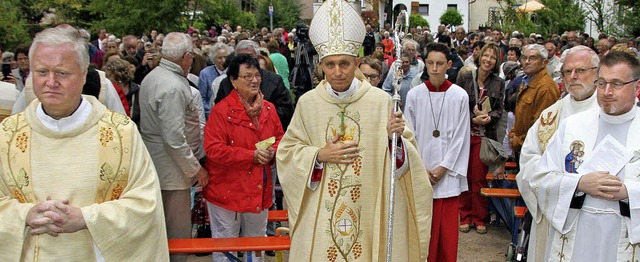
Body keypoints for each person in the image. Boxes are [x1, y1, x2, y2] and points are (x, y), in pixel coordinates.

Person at [275, 0, 433, 260]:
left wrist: (395, 141)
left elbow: (409, 167)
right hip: (322, 211)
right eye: (329, 64)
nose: (336, 72)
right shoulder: (308, 104)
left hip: (369, 209)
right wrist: (319, 155)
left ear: (357, 62)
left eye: (344, 64)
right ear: (321, 64)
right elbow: (287, 154)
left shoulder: (381, 103)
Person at [0, 27, 168, 261]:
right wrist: (25, 215)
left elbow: (146, 205)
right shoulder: (7, 135)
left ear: (83, 75)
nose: (50, 82)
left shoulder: (121, 132)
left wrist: (85, 219)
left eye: (62, 73)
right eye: (41, 72)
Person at [531, 51, 640, 261]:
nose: (607, 91)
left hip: (625, 238)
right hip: (576, 235)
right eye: (601, 83)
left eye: (616, 84)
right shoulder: (573, 126)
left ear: (637, 87)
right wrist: (579, 183)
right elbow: (540, 178)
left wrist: (628, 192)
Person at [516, 46, 600, 261]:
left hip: (594, 213)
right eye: (567, 71)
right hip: (552, 210)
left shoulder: (608, 111)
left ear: (597, 72)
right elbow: (528, 160)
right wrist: (557, 183)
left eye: (581, 70)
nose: (573, 77)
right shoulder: (551, 116)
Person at [203, 53, 284, 262]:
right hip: (227, 188)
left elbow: (280, 138)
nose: (255, 80)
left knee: (257, 241)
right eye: (247, 76)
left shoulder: (268, 108)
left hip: (259, 187)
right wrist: (251, 156)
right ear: (233, 80)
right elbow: (213, 149)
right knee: (226, 243)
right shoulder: (221, 111)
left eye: (257, 75)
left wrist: (272, 151)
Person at [138, 32, 208, 262]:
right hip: (170, 168)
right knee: (176, 230)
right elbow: (174, 138)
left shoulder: (154, 76)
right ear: (186, 57)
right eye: (191, 58)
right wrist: (195, 169)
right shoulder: (172, 86)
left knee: (165, 228)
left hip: (158, 160)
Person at [405, 42, 470, 262]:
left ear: (449, 64)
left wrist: (443, 168)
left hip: (447, 175)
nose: (434, 68)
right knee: (423, 233)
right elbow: (408, 135)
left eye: (440, 63)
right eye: (430, 63)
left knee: (446, 235)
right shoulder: (414, 95)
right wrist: (420, 168)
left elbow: (461, 137)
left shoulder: (460, 96)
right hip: (421, 173)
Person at [457, 42, 505, 235]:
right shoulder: (465, 77)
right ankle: (464, 216)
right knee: (463, 176)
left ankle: (480, 217)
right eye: (486, 55)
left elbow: (500, 110)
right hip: (463, 135)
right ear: (479, 56)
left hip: (483, 137)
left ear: (496, 62)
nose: (488, 60)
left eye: (493, 57)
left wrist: (488, 118)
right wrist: (472, 118)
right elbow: (456, 105)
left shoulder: (498, 83)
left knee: (478, 179)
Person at [213, 40, 294, 130]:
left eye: (250, 57)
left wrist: (262, 114)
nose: (246, 62)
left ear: (257, 58)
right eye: (241, 58)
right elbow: (219, 115)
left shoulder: (274, 80)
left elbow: (287, 110)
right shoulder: (227, 83)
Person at [508, 44, 560, 156]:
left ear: (544, 62)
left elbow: (542, 128)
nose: (527, 62)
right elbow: (521, 115)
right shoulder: (528, 80)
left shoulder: (546, 87)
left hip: (534, 151)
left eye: (532, 58)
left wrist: (517, 141)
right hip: (523, 147)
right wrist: (513, 135)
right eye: (524, 58)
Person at [198, 43, 230, 118]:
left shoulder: (233, 72)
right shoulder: (205, 73)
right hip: (211, 114)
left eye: (225, 57)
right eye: (220, 58)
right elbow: (202, 98)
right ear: (214, 59)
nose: (223, 60)